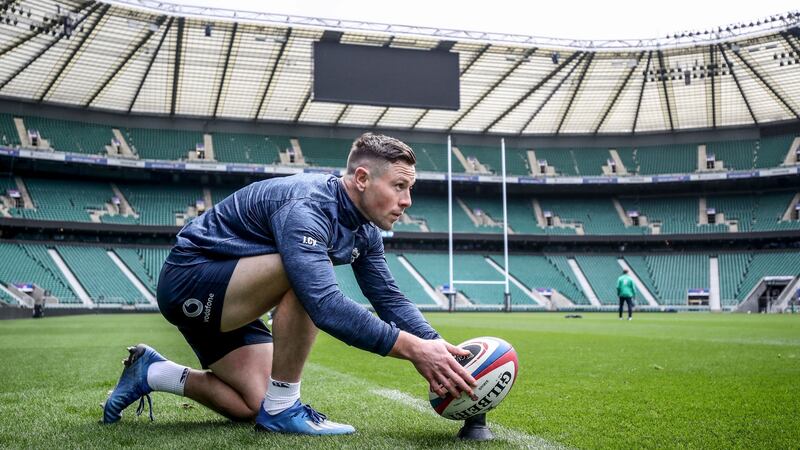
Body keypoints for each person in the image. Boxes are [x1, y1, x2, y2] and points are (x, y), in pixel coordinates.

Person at [103, 133, 476, 435]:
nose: (407, 201)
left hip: (235, 295)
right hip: (192, 283)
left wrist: (436, 346)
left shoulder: (365, 230)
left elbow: (388, 298)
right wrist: (412, 349)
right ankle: (284, 408)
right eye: (399, 186)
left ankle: (152, 371)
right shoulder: (308, 207)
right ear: (362, 179)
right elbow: (324, 304)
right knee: (304, 275)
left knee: (252, 403)